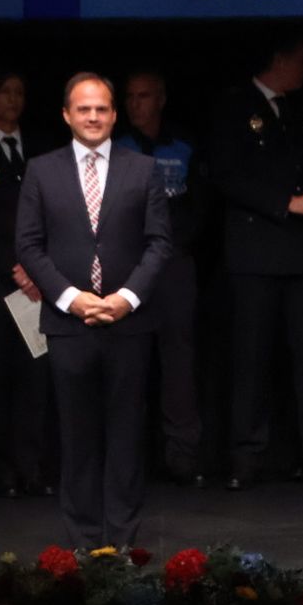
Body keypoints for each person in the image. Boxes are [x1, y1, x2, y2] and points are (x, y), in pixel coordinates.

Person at [16, 72, 171, 548]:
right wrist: (70, 297)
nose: (93, 117)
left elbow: (159, 243)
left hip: (129, 322)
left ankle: (121, 540)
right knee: (77, 436)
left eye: (102, 108)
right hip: (69, 323)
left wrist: (126, 299)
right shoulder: (41, 170)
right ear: (66, 115)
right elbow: (28, 244)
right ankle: (84, 541)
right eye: (83, 109)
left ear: (114, 114)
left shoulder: (142, 168)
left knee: (126, 434)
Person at [210, 32, 303, 489]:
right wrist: (286, 203)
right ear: (280, 60)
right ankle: (245, 460)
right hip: (256, 255)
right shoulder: (234, 106)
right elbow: (225, 175)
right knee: (251, 361)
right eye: (301, 60)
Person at [115, 68, 206, 486]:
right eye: (130, 97)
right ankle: (129, 457)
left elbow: (200, 206)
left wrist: (169, 244)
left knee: (179, 361)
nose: (136, 105)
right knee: (128, 362)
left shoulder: (183, 144)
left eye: (144, 96)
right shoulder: (116, 146)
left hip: (174, 265)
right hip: (127, 268)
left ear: (161, 99)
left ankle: (182, 457)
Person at [0, 71, 56, 499]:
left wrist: (37, 268)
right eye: (5, 92)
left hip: (38, 284)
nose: (13, 99)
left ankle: (31, 467)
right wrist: (12, 266)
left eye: (20, 92)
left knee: (35, 379)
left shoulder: (41, 147)